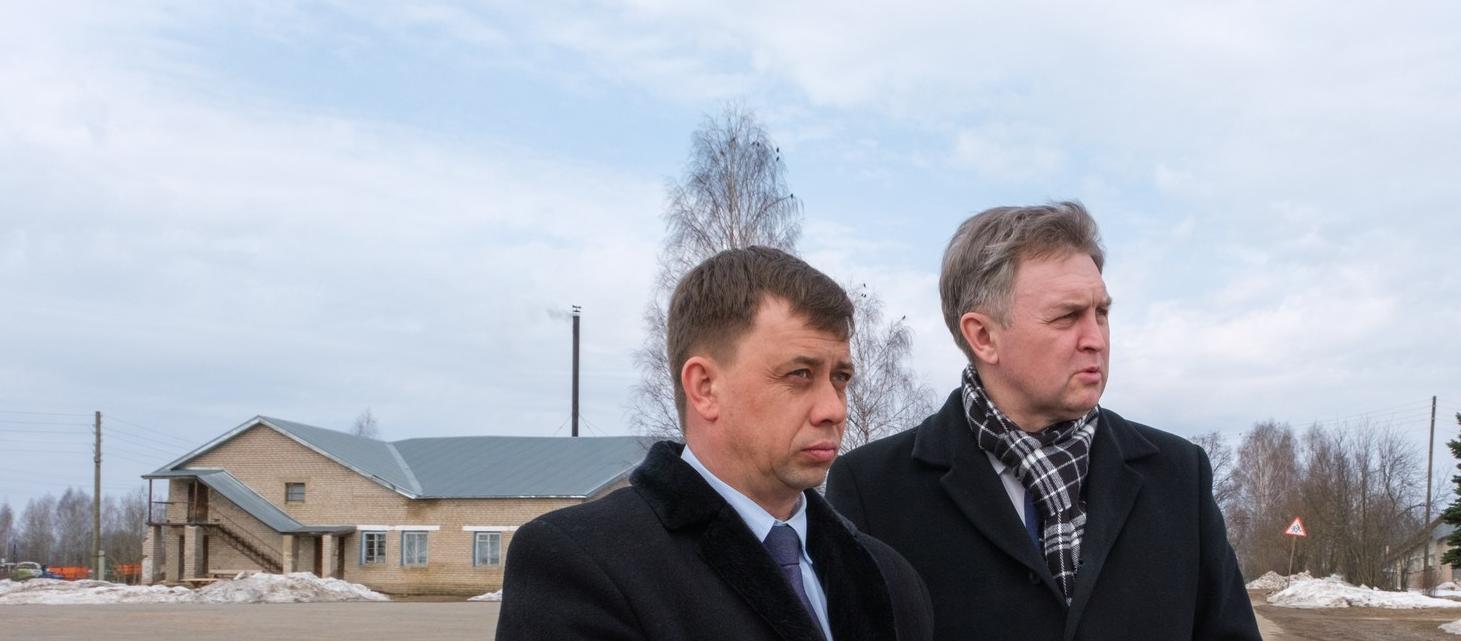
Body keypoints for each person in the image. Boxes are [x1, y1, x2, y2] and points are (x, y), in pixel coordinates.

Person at [827, 202, 1261, 641]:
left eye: (1101, 313)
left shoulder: (1178, 475)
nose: (1095, 339)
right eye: (1067, 317)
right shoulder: (873, 491)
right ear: (983, 336)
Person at [498, 246, 932, 641]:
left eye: (840, 378)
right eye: (800, 374)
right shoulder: (582, 562)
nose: (833, 409)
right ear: (705, 387)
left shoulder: (887, 576)